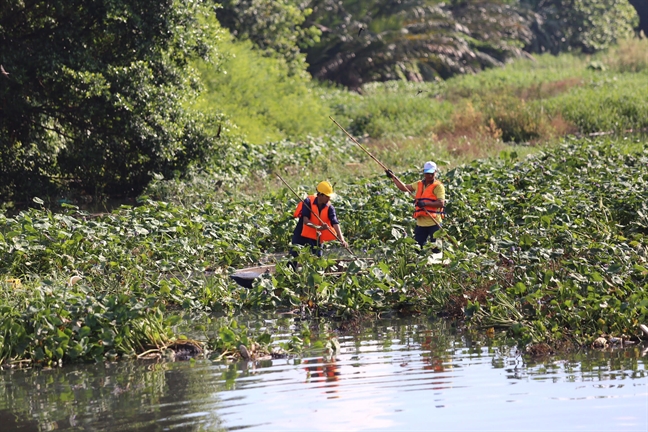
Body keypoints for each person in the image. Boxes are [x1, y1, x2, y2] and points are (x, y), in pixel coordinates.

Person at [385, 161, 445, 252]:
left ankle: (437, 264)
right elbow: (404, 188)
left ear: (435, 172)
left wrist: (425, 203)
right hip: (421, 223)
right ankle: (420, 265)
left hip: (434, 222)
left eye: (431, 173)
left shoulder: (438, 186)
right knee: (418, 248)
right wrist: (393, 177)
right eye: (427, 173)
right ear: (424, 172)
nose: (429, 175)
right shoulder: (419, 184)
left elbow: (441, 203)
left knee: (436, 248)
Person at [291, 180, 348, 259]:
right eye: (327, 196)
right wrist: (319, 228)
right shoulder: (308, 202)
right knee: (294, 255)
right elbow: (305, 221)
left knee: (318, 259)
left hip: (317, 237)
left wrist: (342, 239)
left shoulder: (330, 207)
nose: (329, 198)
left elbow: (335, 223)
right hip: (302, 233)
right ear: (320, 195)